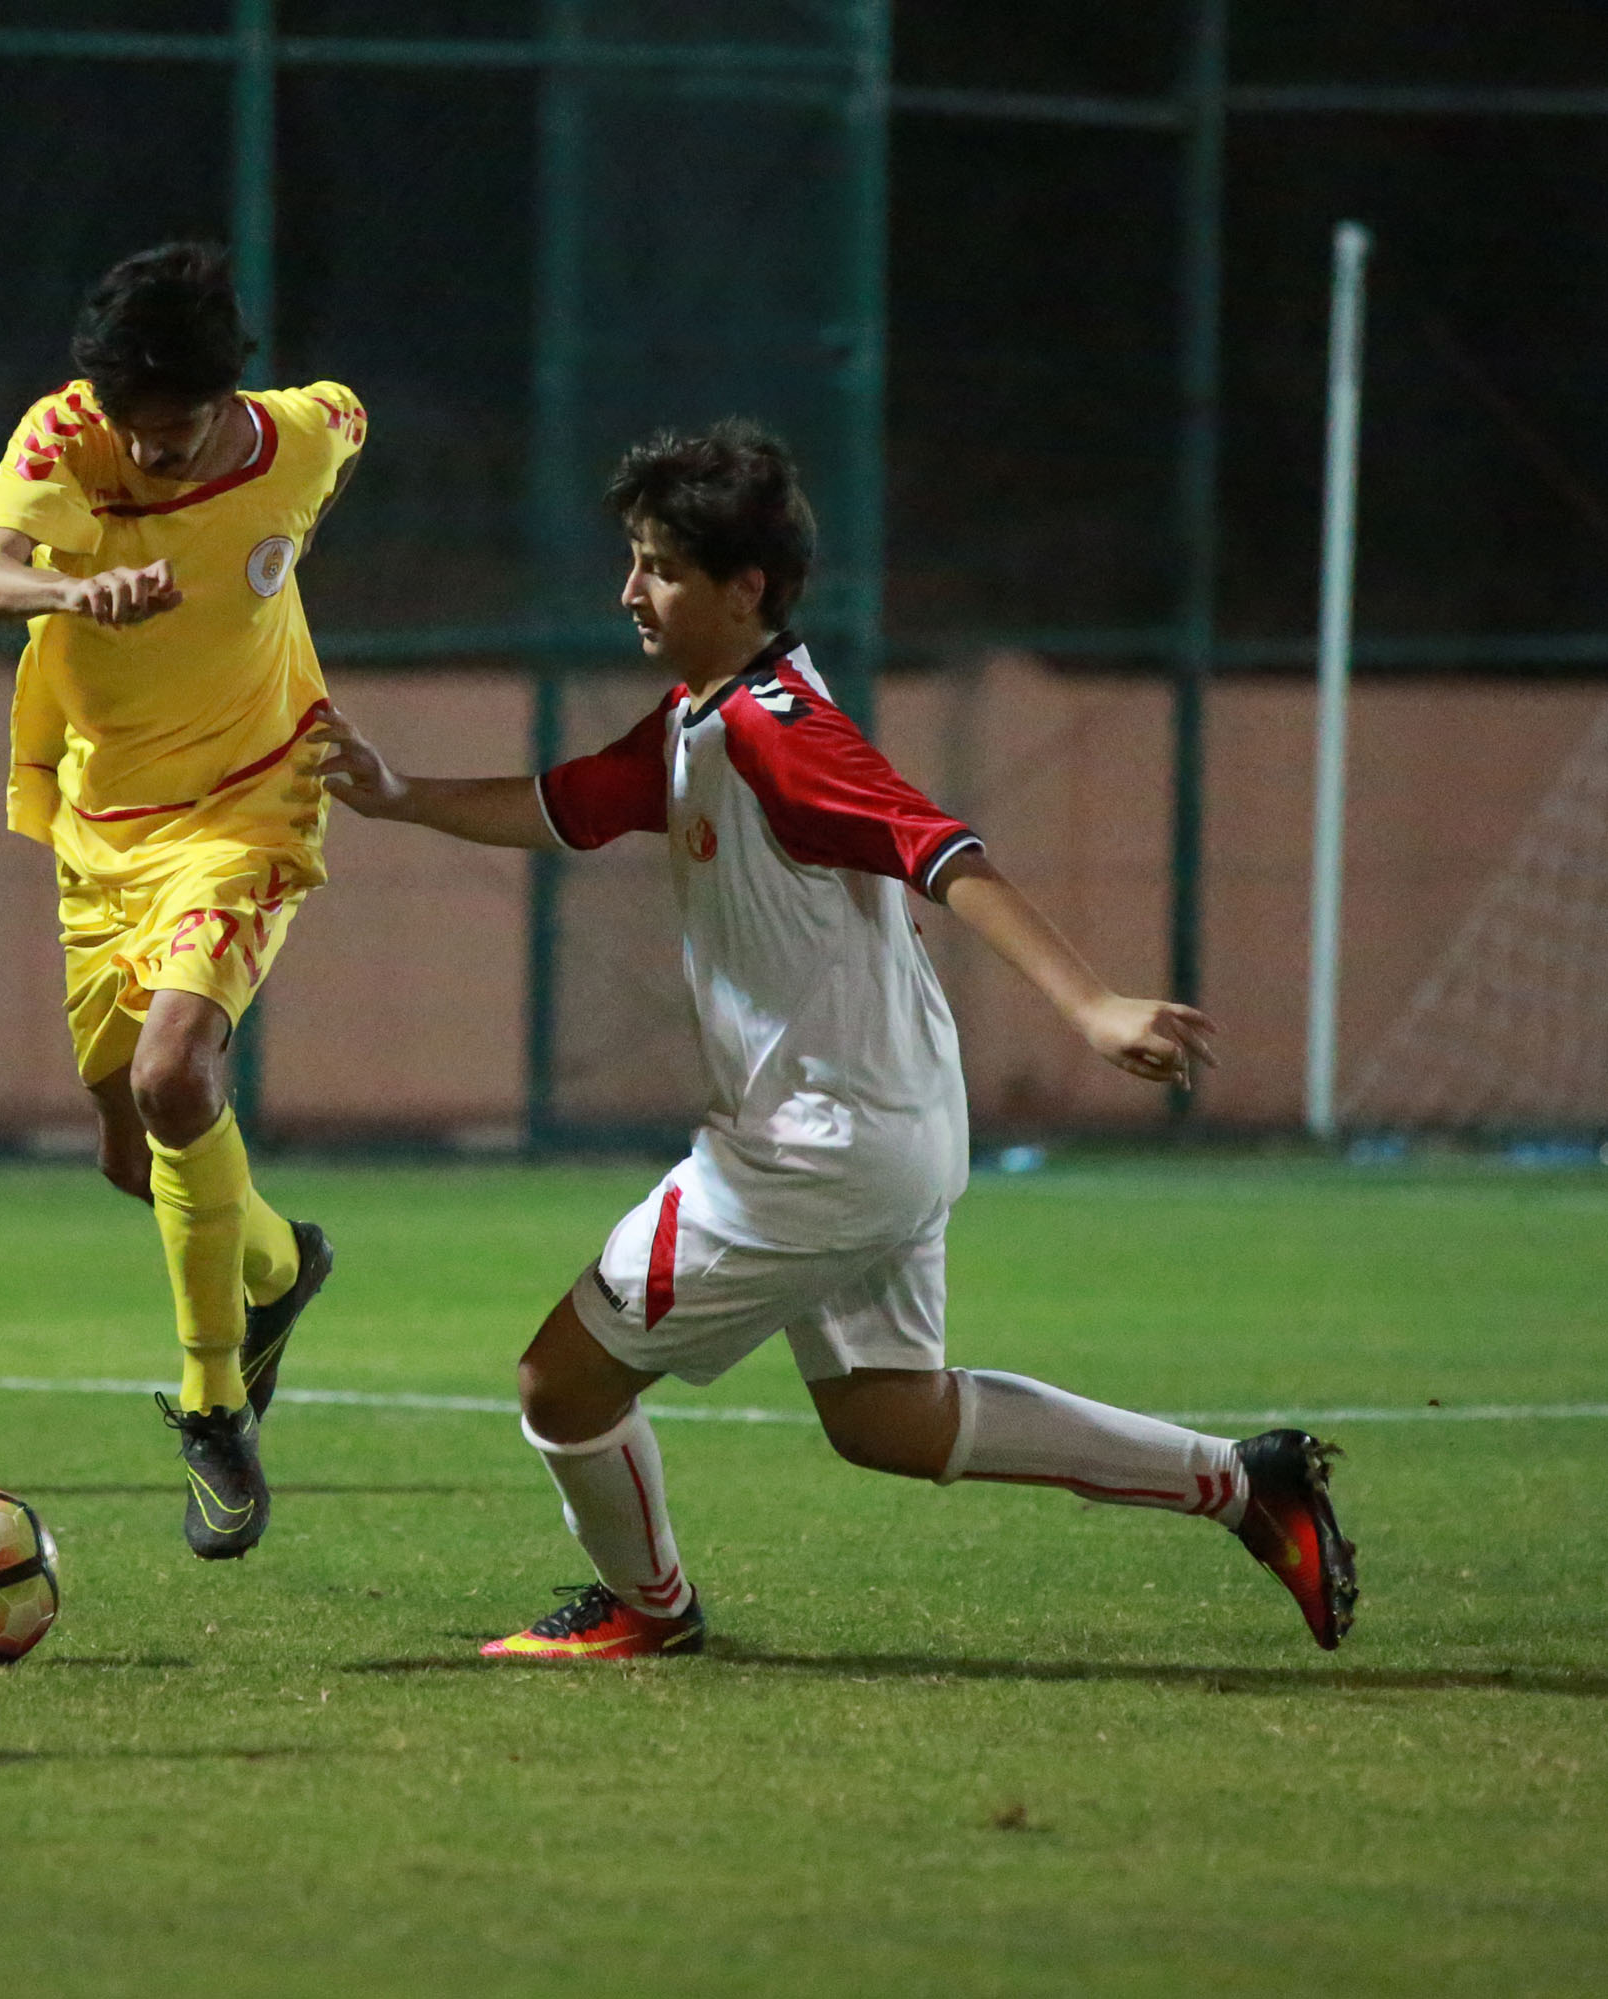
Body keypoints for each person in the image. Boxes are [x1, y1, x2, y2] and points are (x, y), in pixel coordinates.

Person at [314, 420, 1358, 1658]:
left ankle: (650, 1610)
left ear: (744, 588)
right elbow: (567, 804)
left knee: (563, 1384)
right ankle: (1244, 1483)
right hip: (890, 1128)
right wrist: (398, 794)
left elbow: (940, 847)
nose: (630, 591)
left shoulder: (780, 730)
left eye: (659, 568)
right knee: (888, 1419)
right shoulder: (701, 722)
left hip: (811, 1150)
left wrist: (1090, 1006)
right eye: (635, 561)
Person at [0, 243, 364, 1560]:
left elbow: (346, 421)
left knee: (176, 1074)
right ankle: (280, 1268)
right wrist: (71, 589)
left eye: (170, 430)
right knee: (131, 1155)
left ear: (224, 397)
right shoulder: (67, 435)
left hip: (250, 806)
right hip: (102, 829)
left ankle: (213, 1407)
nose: (145, 452)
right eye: (129, 425)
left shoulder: (304, 436)